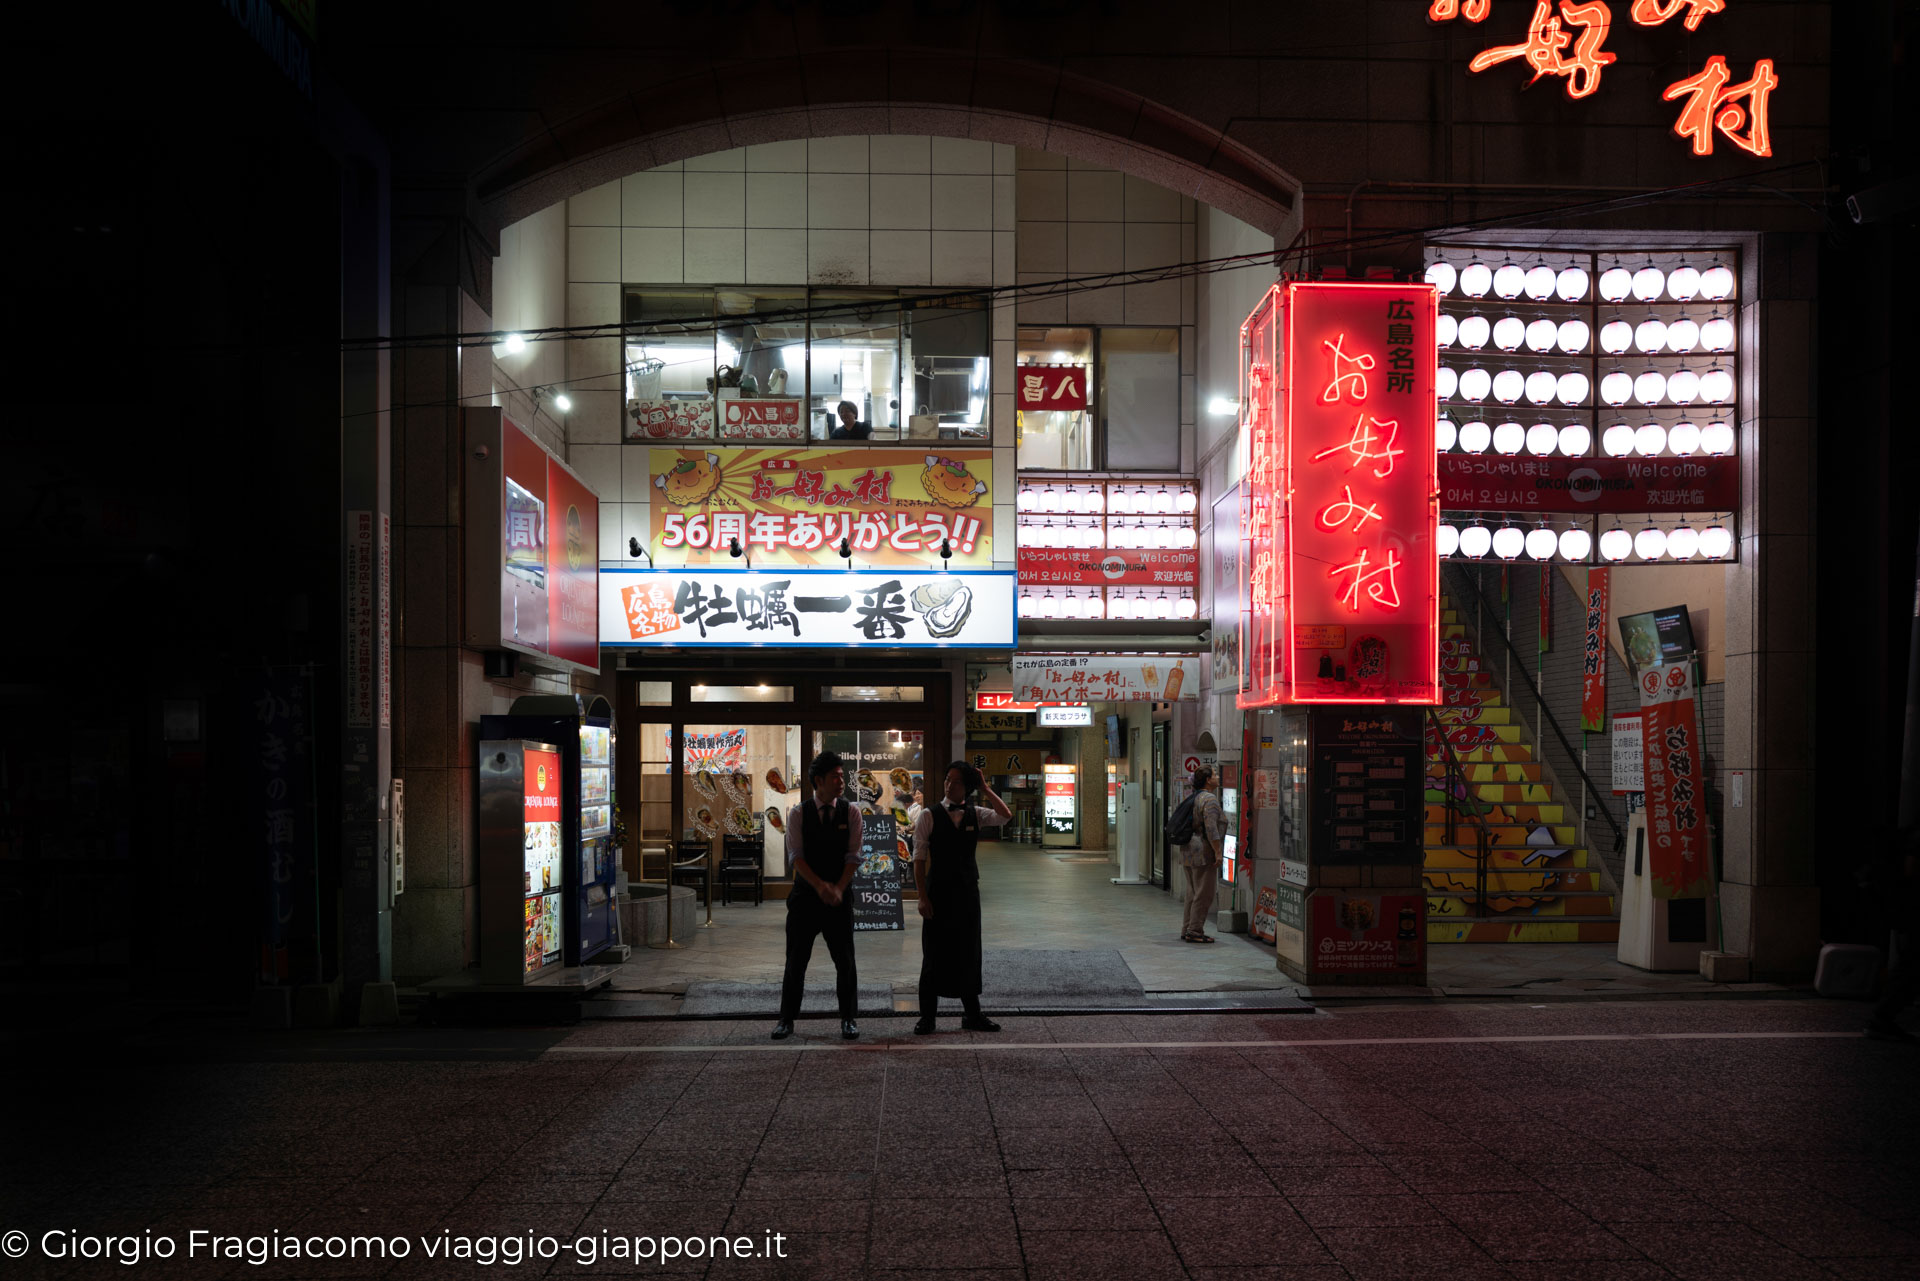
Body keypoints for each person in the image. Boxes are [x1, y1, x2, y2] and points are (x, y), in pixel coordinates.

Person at [911, 761, 1011, 1034]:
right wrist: (922, 897)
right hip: (938, 893)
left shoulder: (975, 813)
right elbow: (918, 860)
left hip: (967, 892)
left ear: (966, 787)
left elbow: (1005, 816)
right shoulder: (928, 815)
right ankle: (927, 1016)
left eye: (955, 781)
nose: (948, 784)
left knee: (968, 952)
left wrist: (985, 788)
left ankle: (973, 1015)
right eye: (947, 779)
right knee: (933, 954)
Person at [772, 751, 862, 1041]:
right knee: (795, 961)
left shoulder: (851, 812)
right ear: (818, 781)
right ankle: (786, 1019)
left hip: (839, 898)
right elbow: (796, 858)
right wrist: (820, 886)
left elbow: (854, 856)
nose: (841, 781)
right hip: (805, 900)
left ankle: (848, 1018)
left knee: (845, 961)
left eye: (841, 775)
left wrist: (837, 888)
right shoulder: (799, 814)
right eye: (835, 776)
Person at [1179, 767, 1225, 944]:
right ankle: (1195, 930)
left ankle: (1187, 928)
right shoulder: (1210, 799)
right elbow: (1211, 828)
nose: (1217, 777)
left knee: (1192, 891)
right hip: (1202, 851)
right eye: (1214, 775)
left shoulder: (1193, 797)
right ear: (1207, 779)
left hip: (1187, 849)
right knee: (1204, 893)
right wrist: (1218, 852)